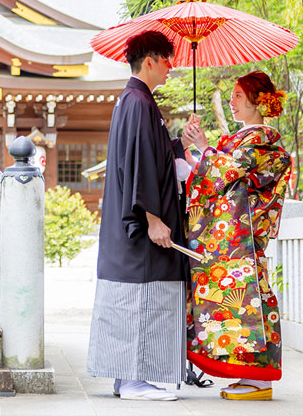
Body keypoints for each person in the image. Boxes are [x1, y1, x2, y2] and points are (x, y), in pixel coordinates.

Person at [87, 30, 195, 402]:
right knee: (142, 299)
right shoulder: (138, 102)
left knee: (134, 299)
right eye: (167, 60)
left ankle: (126, 378)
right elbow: (139, 164)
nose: (171, 67)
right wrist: (152, 218)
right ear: (149, 60)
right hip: (140, 227)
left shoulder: (134, 101)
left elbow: (157, 155)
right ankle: (134, 380)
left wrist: (181, 142)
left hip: (131, 223)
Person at [182, 70, 291, 401]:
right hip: (231, 239)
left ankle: (260, 378)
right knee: (233, 304)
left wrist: (205, 148)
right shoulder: (242, 139)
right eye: (231, 96)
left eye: (238, 96)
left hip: (242, 237)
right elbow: (217, 171)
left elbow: (231, 172)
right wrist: (196, 151)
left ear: (257, 101)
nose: (232, 102)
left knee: (248, 302)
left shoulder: (263, 140)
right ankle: (250, 374)